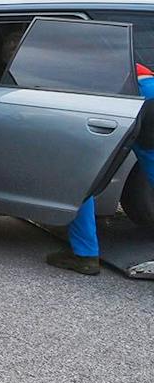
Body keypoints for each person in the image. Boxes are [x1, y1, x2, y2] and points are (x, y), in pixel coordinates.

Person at [49, 63, 154, 274]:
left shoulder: (57, 58)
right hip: (147, 90)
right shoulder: (103, 44)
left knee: (80, 176)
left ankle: (85, 255)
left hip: (123, 100)